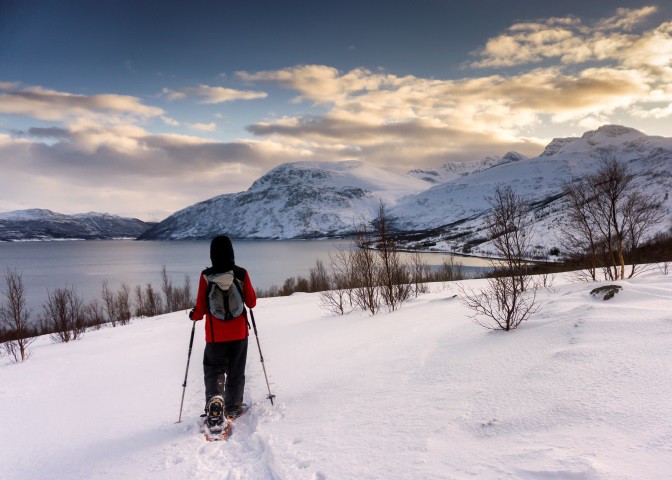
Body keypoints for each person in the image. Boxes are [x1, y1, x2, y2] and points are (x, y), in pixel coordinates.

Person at [189, 235, 256, 427]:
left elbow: (201, 306)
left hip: (215, 334)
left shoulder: (206, 275)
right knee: (236, 371)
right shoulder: (241, 273)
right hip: (239, 333)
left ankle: (215, 400)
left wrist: (195, 315)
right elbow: (251, 302)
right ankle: (233, 406)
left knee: (213, 370)